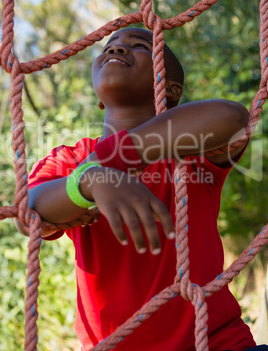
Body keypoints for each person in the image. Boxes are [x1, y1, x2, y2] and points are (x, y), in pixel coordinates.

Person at [15, 27, 263, 350]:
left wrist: (116, 157)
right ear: (98, 98)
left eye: (139, 45)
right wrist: (90, 180)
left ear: (170, 88)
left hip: (214, 341)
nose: (116, 49)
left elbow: (234, 120)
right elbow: (28, 212)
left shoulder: (190, 154)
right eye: (110, 46)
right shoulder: (72, 160)